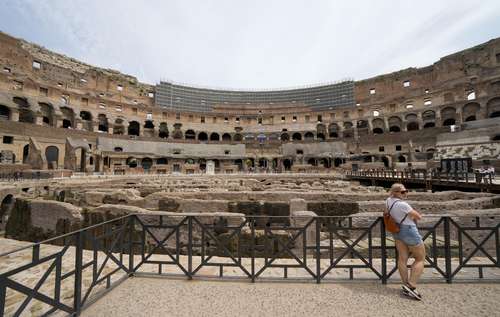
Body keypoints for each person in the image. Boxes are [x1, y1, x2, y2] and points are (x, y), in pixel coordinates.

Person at [385, 183, 425, 300]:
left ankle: (406, 284)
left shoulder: (388, 201)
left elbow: (387, 213)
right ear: (395, 192)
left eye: (406, 191)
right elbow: (418, 217)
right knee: (420, 258)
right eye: (403, 192)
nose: (406, 193)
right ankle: (411, 286)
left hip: (396, 230)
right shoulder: (403, 205)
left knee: (402, 258)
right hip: (408, 230)